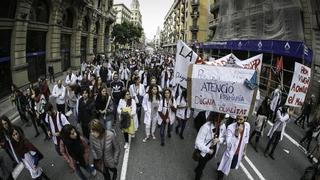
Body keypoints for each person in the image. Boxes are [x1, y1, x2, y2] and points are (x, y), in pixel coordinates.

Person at [194, 112, 226, 180]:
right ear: (218, 119)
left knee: (204, 163)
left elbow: (224, 138)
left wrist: (219, 140)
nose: (224, 121)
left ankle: (198, 168)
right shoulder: (205, 127)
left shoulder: (222, 126)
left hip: (213, 151)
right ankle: (197, 175)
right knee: (201, 166)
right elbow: (198, 143)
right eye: (223, 119)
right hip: (204, 152)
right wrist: (208, 150)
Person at [217, 116, 250, 180]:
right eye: (237, 119)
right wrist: (236, 134)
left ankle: (219, 164)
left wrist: (244, 150)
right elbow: (228, 142)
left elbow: (246, 139)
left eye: (241, 119)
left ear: (245, 119)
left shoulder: (247, 126)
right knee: (224, 166)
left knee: (233, 165)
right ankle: (220, 175)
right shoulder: (230, 127)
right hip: (231, 151)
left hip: (239, 151)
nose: (238, 121)